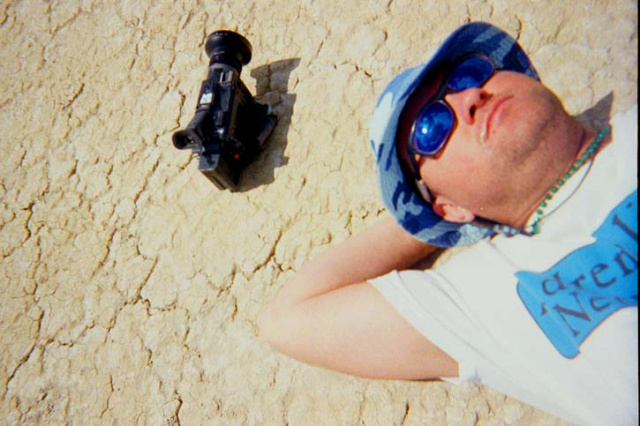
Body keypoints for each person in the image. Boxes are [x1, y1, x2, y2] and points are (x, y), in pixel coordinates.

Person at [258, 22, 638, 425]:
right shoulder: (487, 296)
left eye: (471, 73)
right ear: (450, 207)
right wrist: (428, 218)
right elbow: (287, 320)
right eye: (432, 126)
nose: (471, 97)